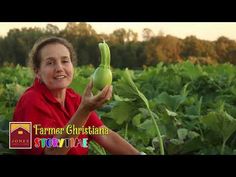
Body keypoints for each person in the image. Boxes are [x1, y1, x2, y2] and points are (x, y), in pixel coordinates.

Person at [12, 36, 141, 155]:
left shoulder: (73, 98)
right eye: (50, 63)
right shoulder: (29, 100)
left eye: (65, 61)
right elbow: (52, 151)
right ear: (37, 72)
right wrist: (84, 110)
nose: (59, 68)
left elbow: (104, 135)